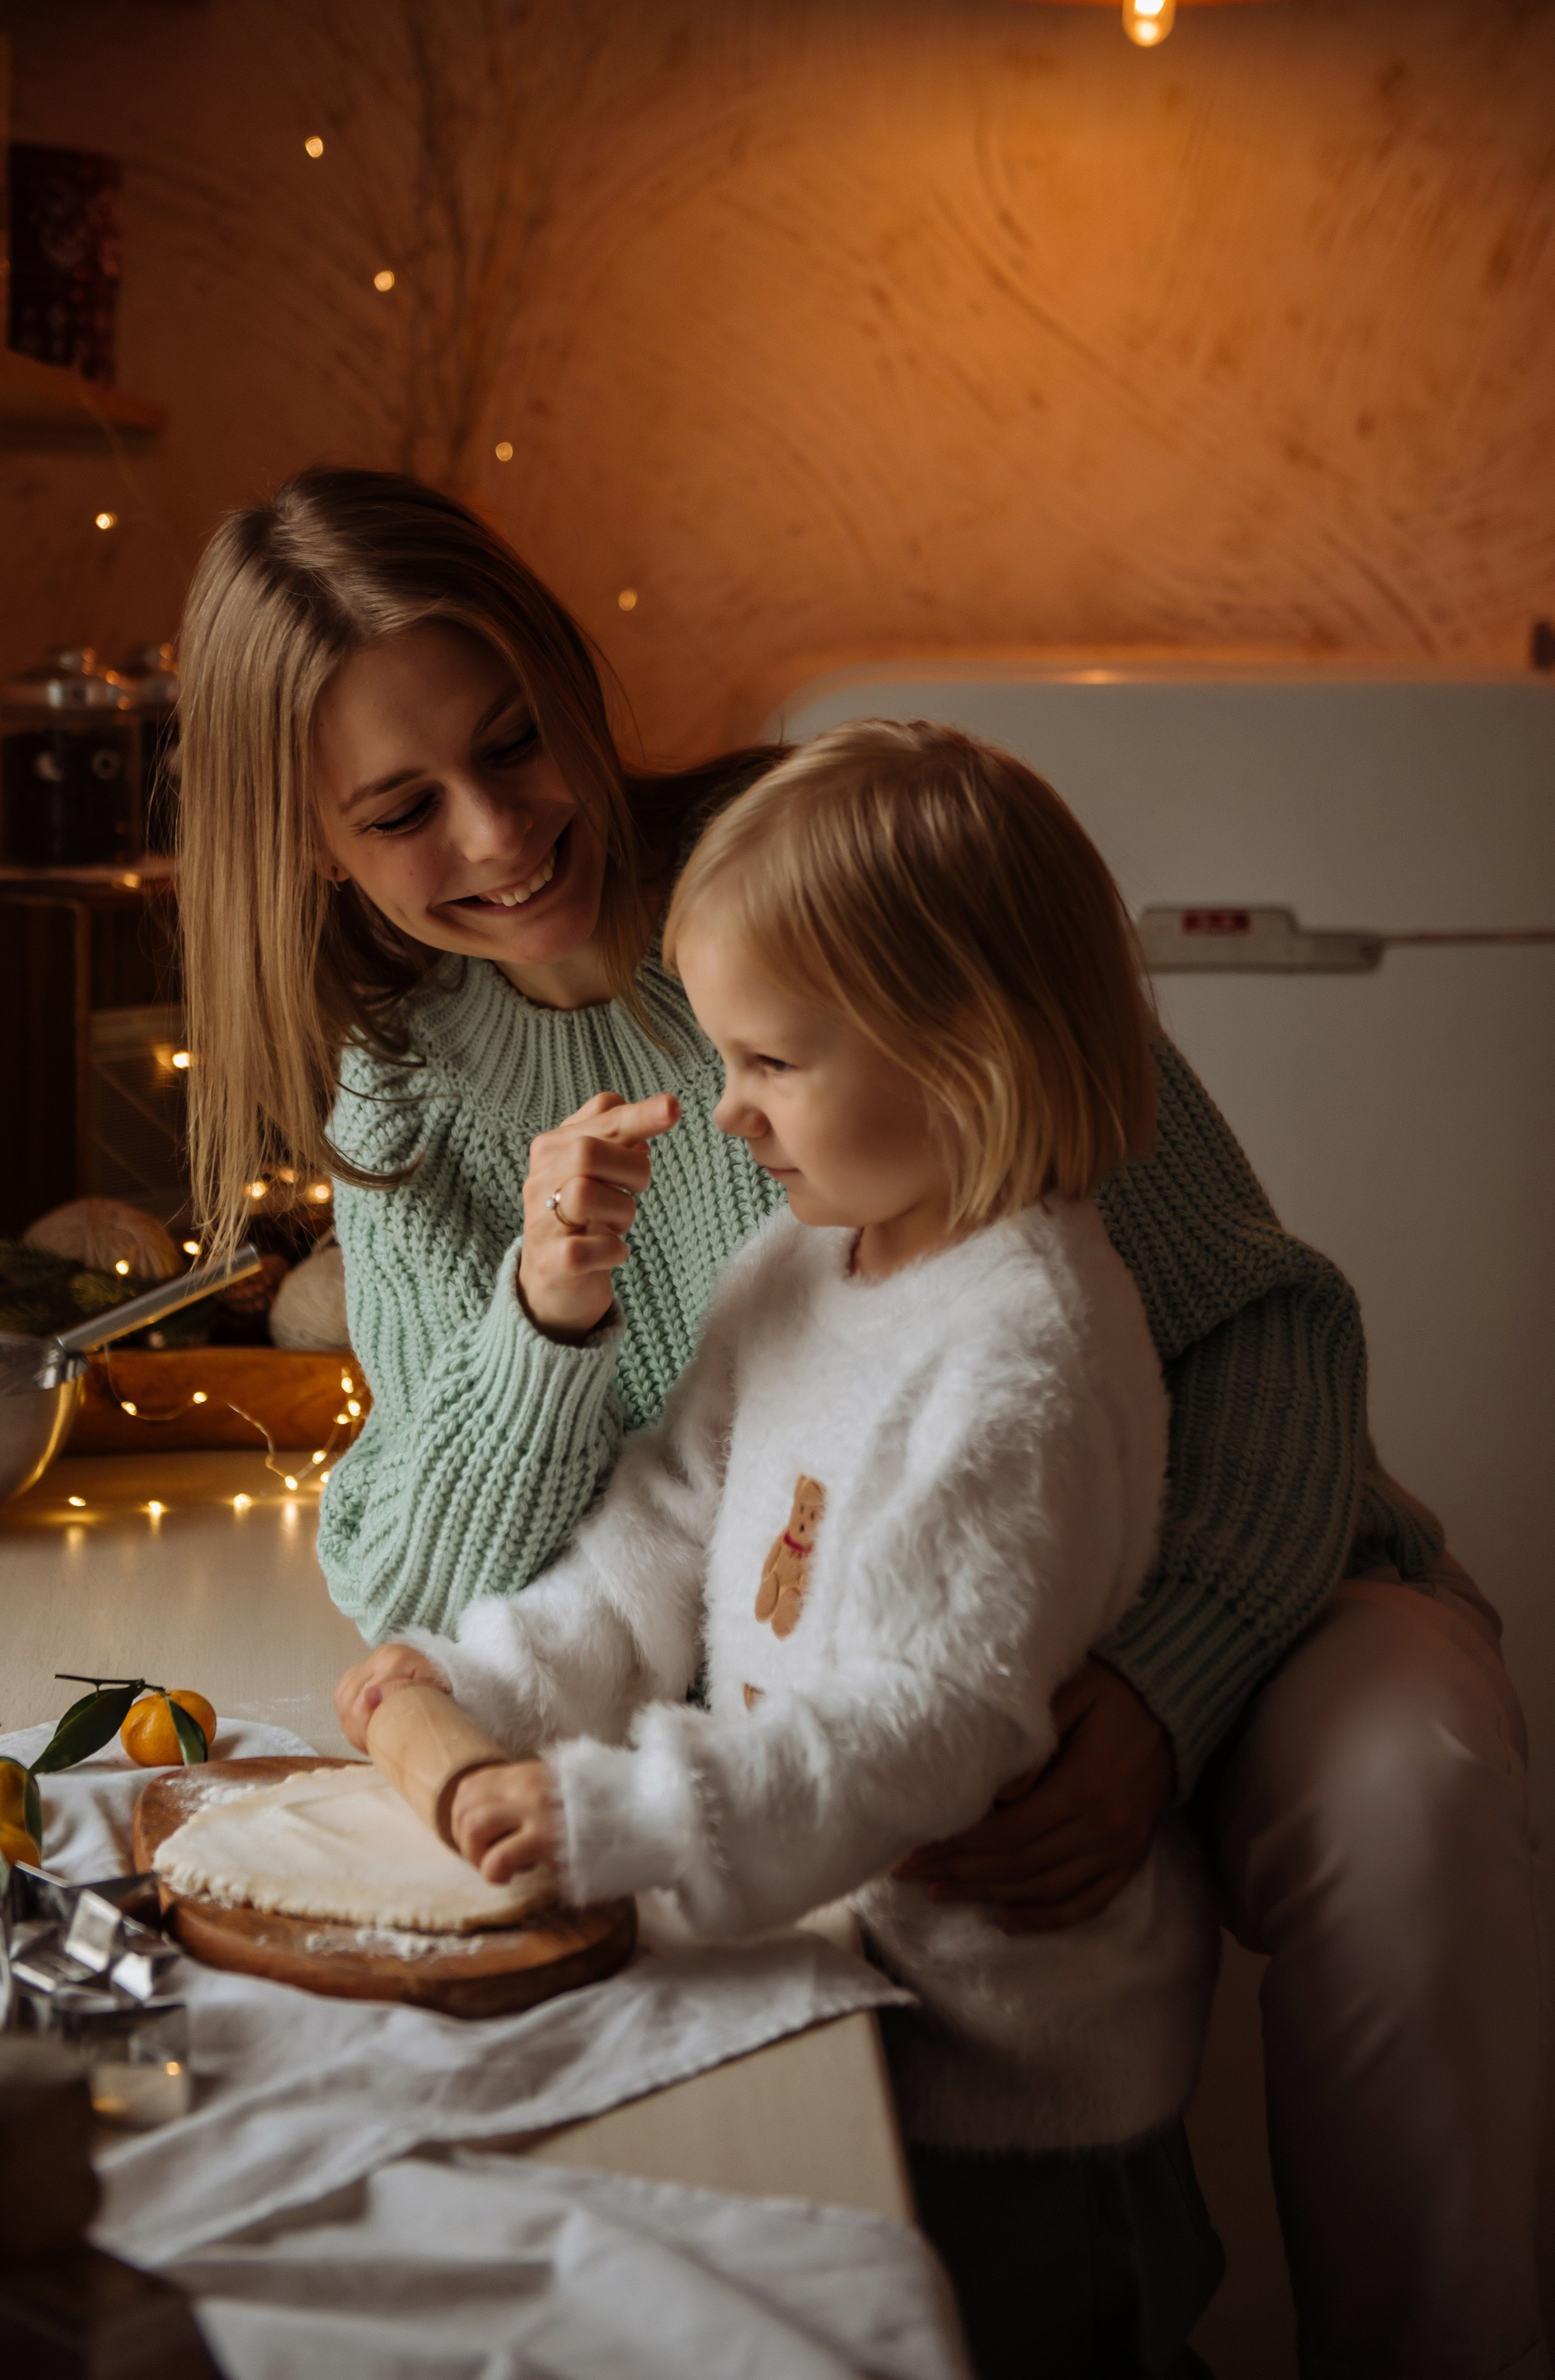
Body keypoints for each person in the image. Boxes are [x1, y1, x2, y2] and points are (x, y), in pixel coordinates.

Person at [178, 466, 1548, 2378]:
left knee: (1408, 1778)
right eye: (401, 810)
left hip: (1210, 1565)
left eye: (512, 739)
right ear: (310, 843)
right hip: (835, 1664)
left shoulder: (832, 864)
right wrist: (549, 1313)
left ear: (567, 677)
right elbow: (437, 1573)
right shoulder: (402, 1083)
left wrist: (1161, 1688)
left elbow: (1265, 1332)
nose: (497, 830)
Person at [336, 720, 1226, 2373]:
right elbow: (662, 1525)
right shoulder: (807, 1261)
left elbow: (927, 1724)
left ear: (963, 1052)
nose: (727, 1113)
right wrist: (483, 1684)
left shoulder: (1019, 1347)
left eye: (769, 1063)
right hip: (832, 1975)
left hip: (1014, 2082)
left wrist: (618, 1811)